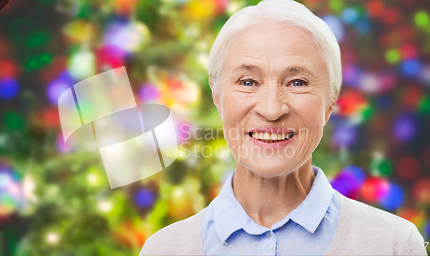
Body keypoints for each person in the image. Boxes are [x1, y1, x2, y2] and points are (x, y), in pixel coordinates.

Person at [140, 0, 428, 255]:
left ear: (331, 101)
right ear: (217, 96)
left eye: (297, 83)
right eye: (248, 82)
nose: (271, 109)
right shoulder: (164, 249)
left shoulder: (394, 245)